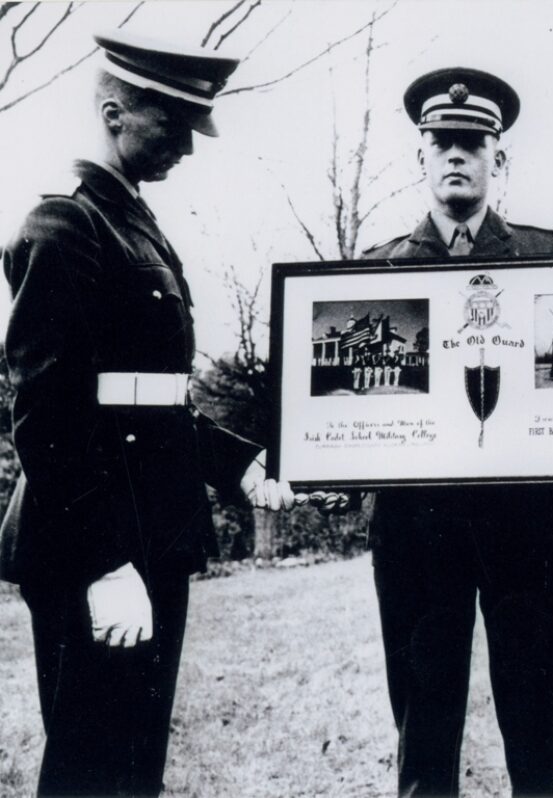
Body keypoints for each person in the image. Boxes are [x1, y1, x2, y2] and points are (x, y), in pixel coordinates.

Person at [1, 31, 294, 796]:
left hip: (151, 533)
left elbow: (153, 401)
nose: (187, 148)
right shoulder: (64, 227)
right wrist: (103, 563)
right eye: (173, 124)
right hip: (91, 542)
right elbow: (45, 415)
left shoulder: (134, 224)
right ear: (115, 114)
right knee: (90, 774)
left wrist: (242, 464)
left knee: (134, 773)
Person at [362, 67, 553, 798]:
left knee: (536, 733)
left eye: (473, 142)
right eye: (441, 142)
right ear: (420, 156)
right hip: (415, 532)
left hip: (525, 527)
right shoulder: (376, 268)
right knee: (423, 740)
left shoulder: (547, 254)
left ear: (497, 157)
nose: (456, 154)